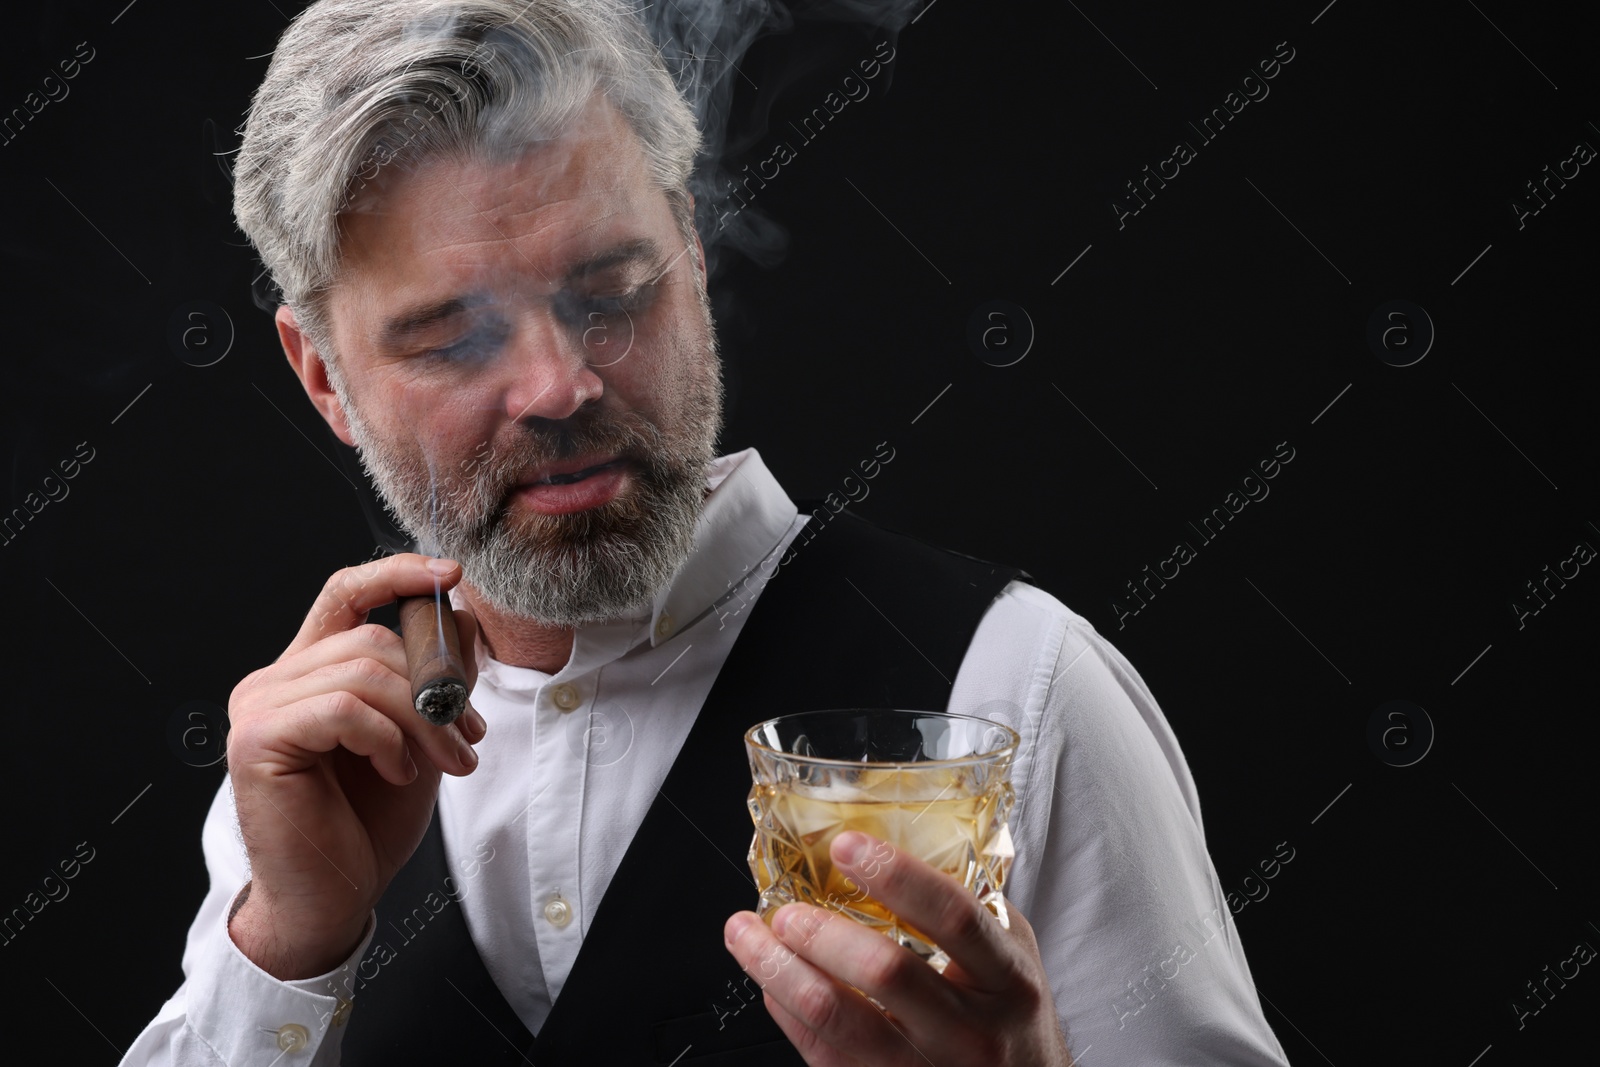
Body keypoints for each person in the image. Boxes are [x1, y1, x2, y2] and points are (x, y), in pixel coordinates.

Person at [123, 1, 1292, 1063]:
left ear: (684, 245)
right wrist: (283, 945)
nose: (558, 384)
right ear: (322, 375)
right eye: (451, 337)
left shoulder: (1018, 687)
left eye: (612, 290)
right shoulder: (312, 775)